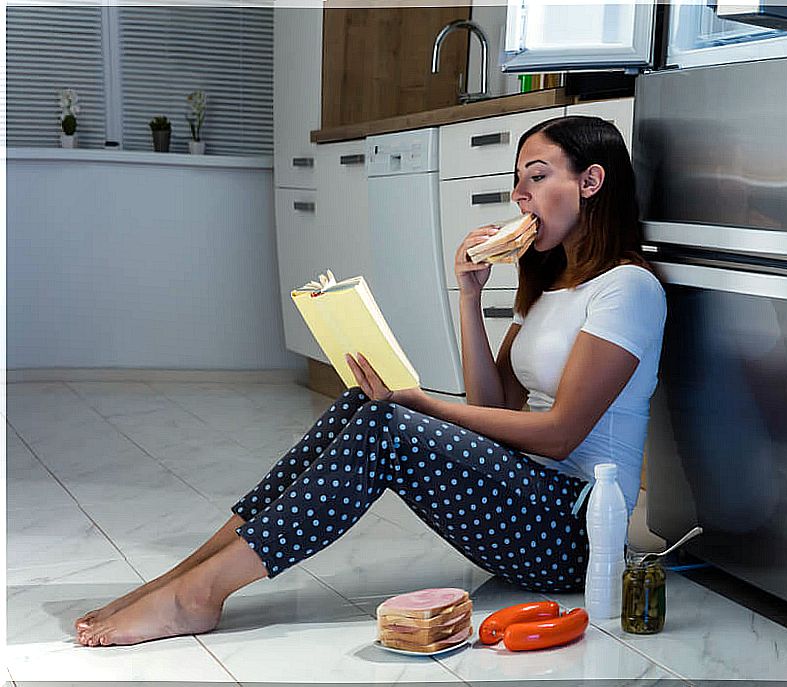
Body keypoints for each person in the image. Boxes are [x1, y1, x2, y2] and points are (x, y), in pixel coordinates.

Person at [74, 115, 667, 647]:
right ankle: (187, 576)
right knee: (362, 403)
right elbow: (493, 409)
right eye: (517, 180)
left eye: (536, 177)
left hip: (576, 532)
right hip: (524, 502)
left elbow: (560, 435)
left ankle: (199, 594)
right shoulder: (548, 284)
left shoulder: (628, 288)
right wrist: (467, 295)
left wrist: (419, 402)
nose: (519, 196)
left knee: (387, 421)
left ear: (590, 182)